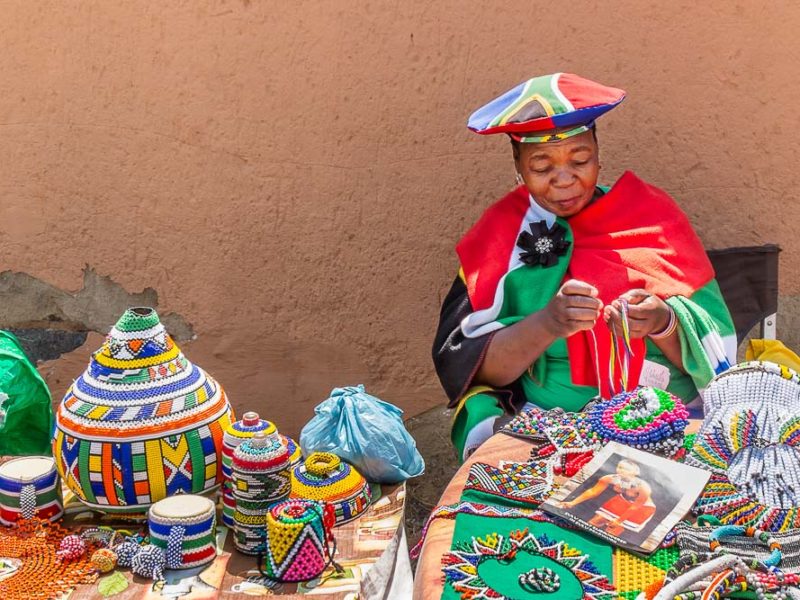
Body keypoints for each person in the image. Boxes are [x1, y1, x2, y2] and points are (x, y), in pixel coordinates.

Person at [432, 73, 736, 461]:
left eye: (580, 160)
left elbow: (719, 352)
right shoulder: (498, 238)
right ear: (518, 166)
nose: (564, 180)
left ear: (598, 154)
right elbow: (472, 368)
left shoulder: (650, 217)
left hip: (666, 420)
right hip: (553, 427)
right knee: (477, 410)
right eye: (542, 167)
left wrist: (664, 322)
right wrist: (547, 324)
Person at [555, 459, 656, 536]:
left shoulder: (643, 487)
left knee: (614, 528)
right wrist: (572, 503)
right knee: (596, 520)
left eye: (626, 469)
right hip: (622, 500)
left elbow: (636, 506)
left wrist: (619, 521)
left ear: (635, 472)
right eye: (620, 467)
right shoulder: (609, 478)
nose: (621, 470)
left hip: (642, 508)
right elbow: (593, 492)